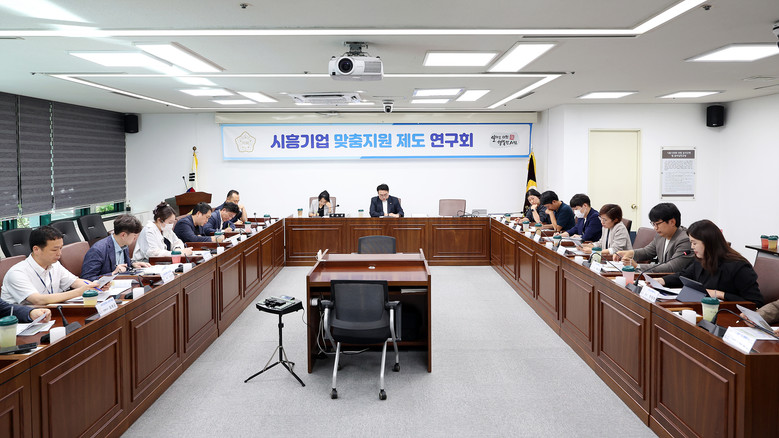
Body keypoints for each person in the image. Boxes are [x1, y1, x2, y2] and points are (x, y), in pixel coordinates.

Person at [655, 220, 763, 306]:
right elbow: (684, 276)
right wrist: (661, 280)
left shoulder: (738, 266)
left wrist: (720, 294)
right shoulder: (701, 259)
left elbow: (755, 303)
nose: (692, 247)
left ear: (708, 243)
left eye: (694, 243)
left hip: (729, 315)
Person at [1, 226, 100, 305]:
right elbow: (38, 300)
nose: (59, 253)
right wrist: (78, 292)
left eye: (60, 248)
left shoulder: (55, 264)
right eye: (54, 250)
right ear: (36, 249)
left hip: (50, 312)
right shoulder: (17, 273)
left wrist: (92, 286)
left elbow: (74, 282)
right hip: (23, 321)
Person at [614, 203, 693, 273]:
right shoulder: (661, 235)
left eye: (657, 224)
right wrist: (630, 253)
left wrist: (637, 266)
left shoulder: (685, 240)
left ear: (672, 222)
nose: (655, 228)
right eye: (653, 224)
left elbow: (672, 267)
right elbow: (647, 252)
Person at [81, 214, 151, 281]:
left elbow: (122, 263)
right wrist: (112, 274)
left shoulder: (124, 244)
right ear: (123, 235)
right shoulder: (98, 250)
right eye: (134, 236)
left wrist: (133, 264)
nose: (135, 239)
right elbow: (87, 279)